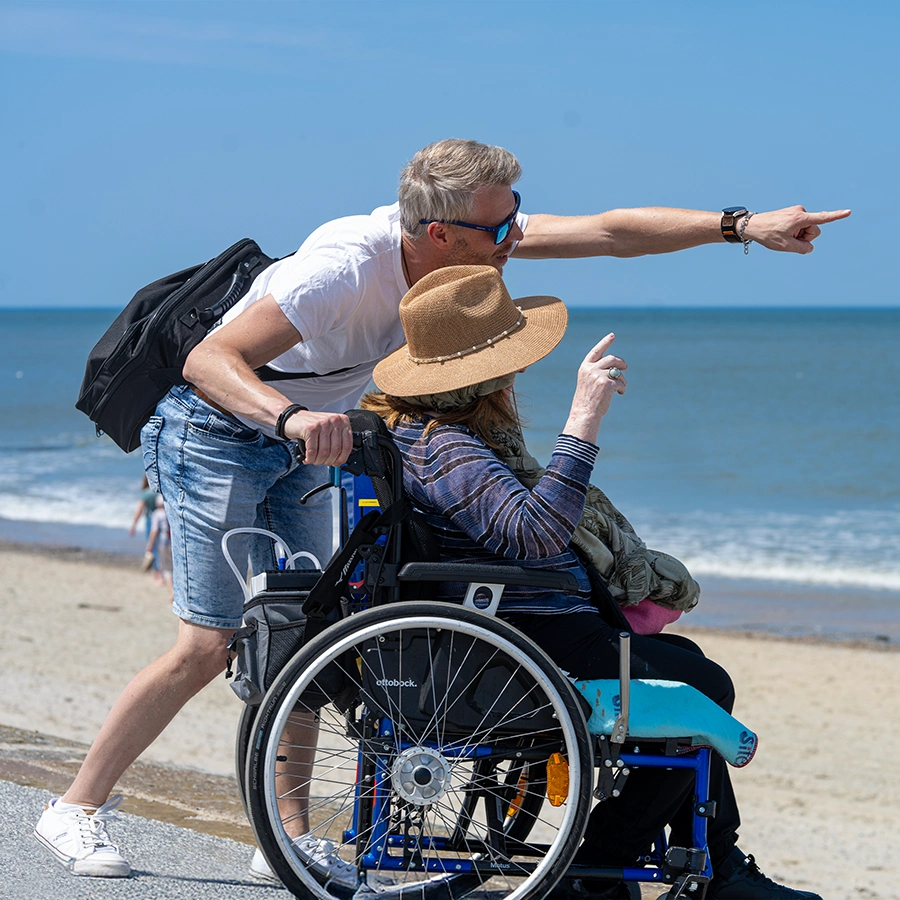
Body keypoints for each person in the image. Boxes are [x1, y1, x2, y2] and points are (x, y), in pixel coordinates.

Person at [33, 137, 849, 881]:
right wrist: (286, 421)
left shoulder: (470, 247)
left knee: (312, 630)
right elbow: (209, 358)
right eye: (498, 229)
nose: (513, 238)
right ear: (436, 235)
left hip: (318, 430)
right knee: (211, 641)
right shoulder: (344, 271)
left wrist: (744, 226)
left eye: (514, 221)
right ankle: (75, 809)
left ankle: (281, 836)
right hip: (219, 421)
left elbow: (608, 231)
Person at [360, 264, 822, 900]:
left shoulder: (436, 434)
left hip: (518, 629)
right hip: (521, 640)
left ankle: (718, 862)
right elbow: (536, 534)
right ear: (484, 374)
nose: (517, 374)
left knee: (686, 667)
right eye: (509, 362)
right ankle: (603, 866)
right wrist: (583, 420)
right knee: (703, 685)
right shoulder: (445, 448)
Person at [145, 496, 173, 598]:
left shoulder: (157, 514)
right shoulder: (171, 512)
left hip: (163, 542)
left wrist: (150, 545)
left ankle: (171, 591)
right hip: (173, 542)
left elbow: (154, 530)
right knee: (174, 567)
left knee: (166, 568)